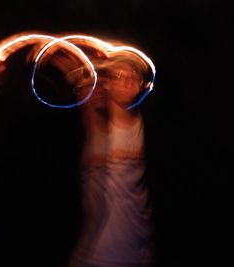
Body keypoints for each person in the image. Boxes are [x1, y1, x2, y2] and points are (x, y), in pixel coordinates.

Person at [68, 55, 154, 267]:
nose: (127, 80)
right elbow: (79, 80)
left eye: (134, 77)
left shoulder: (136, 125)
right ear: (107, 85)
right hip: (94, 256)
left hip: (134, 253)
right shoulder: (94, 131)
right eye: (119, 75)